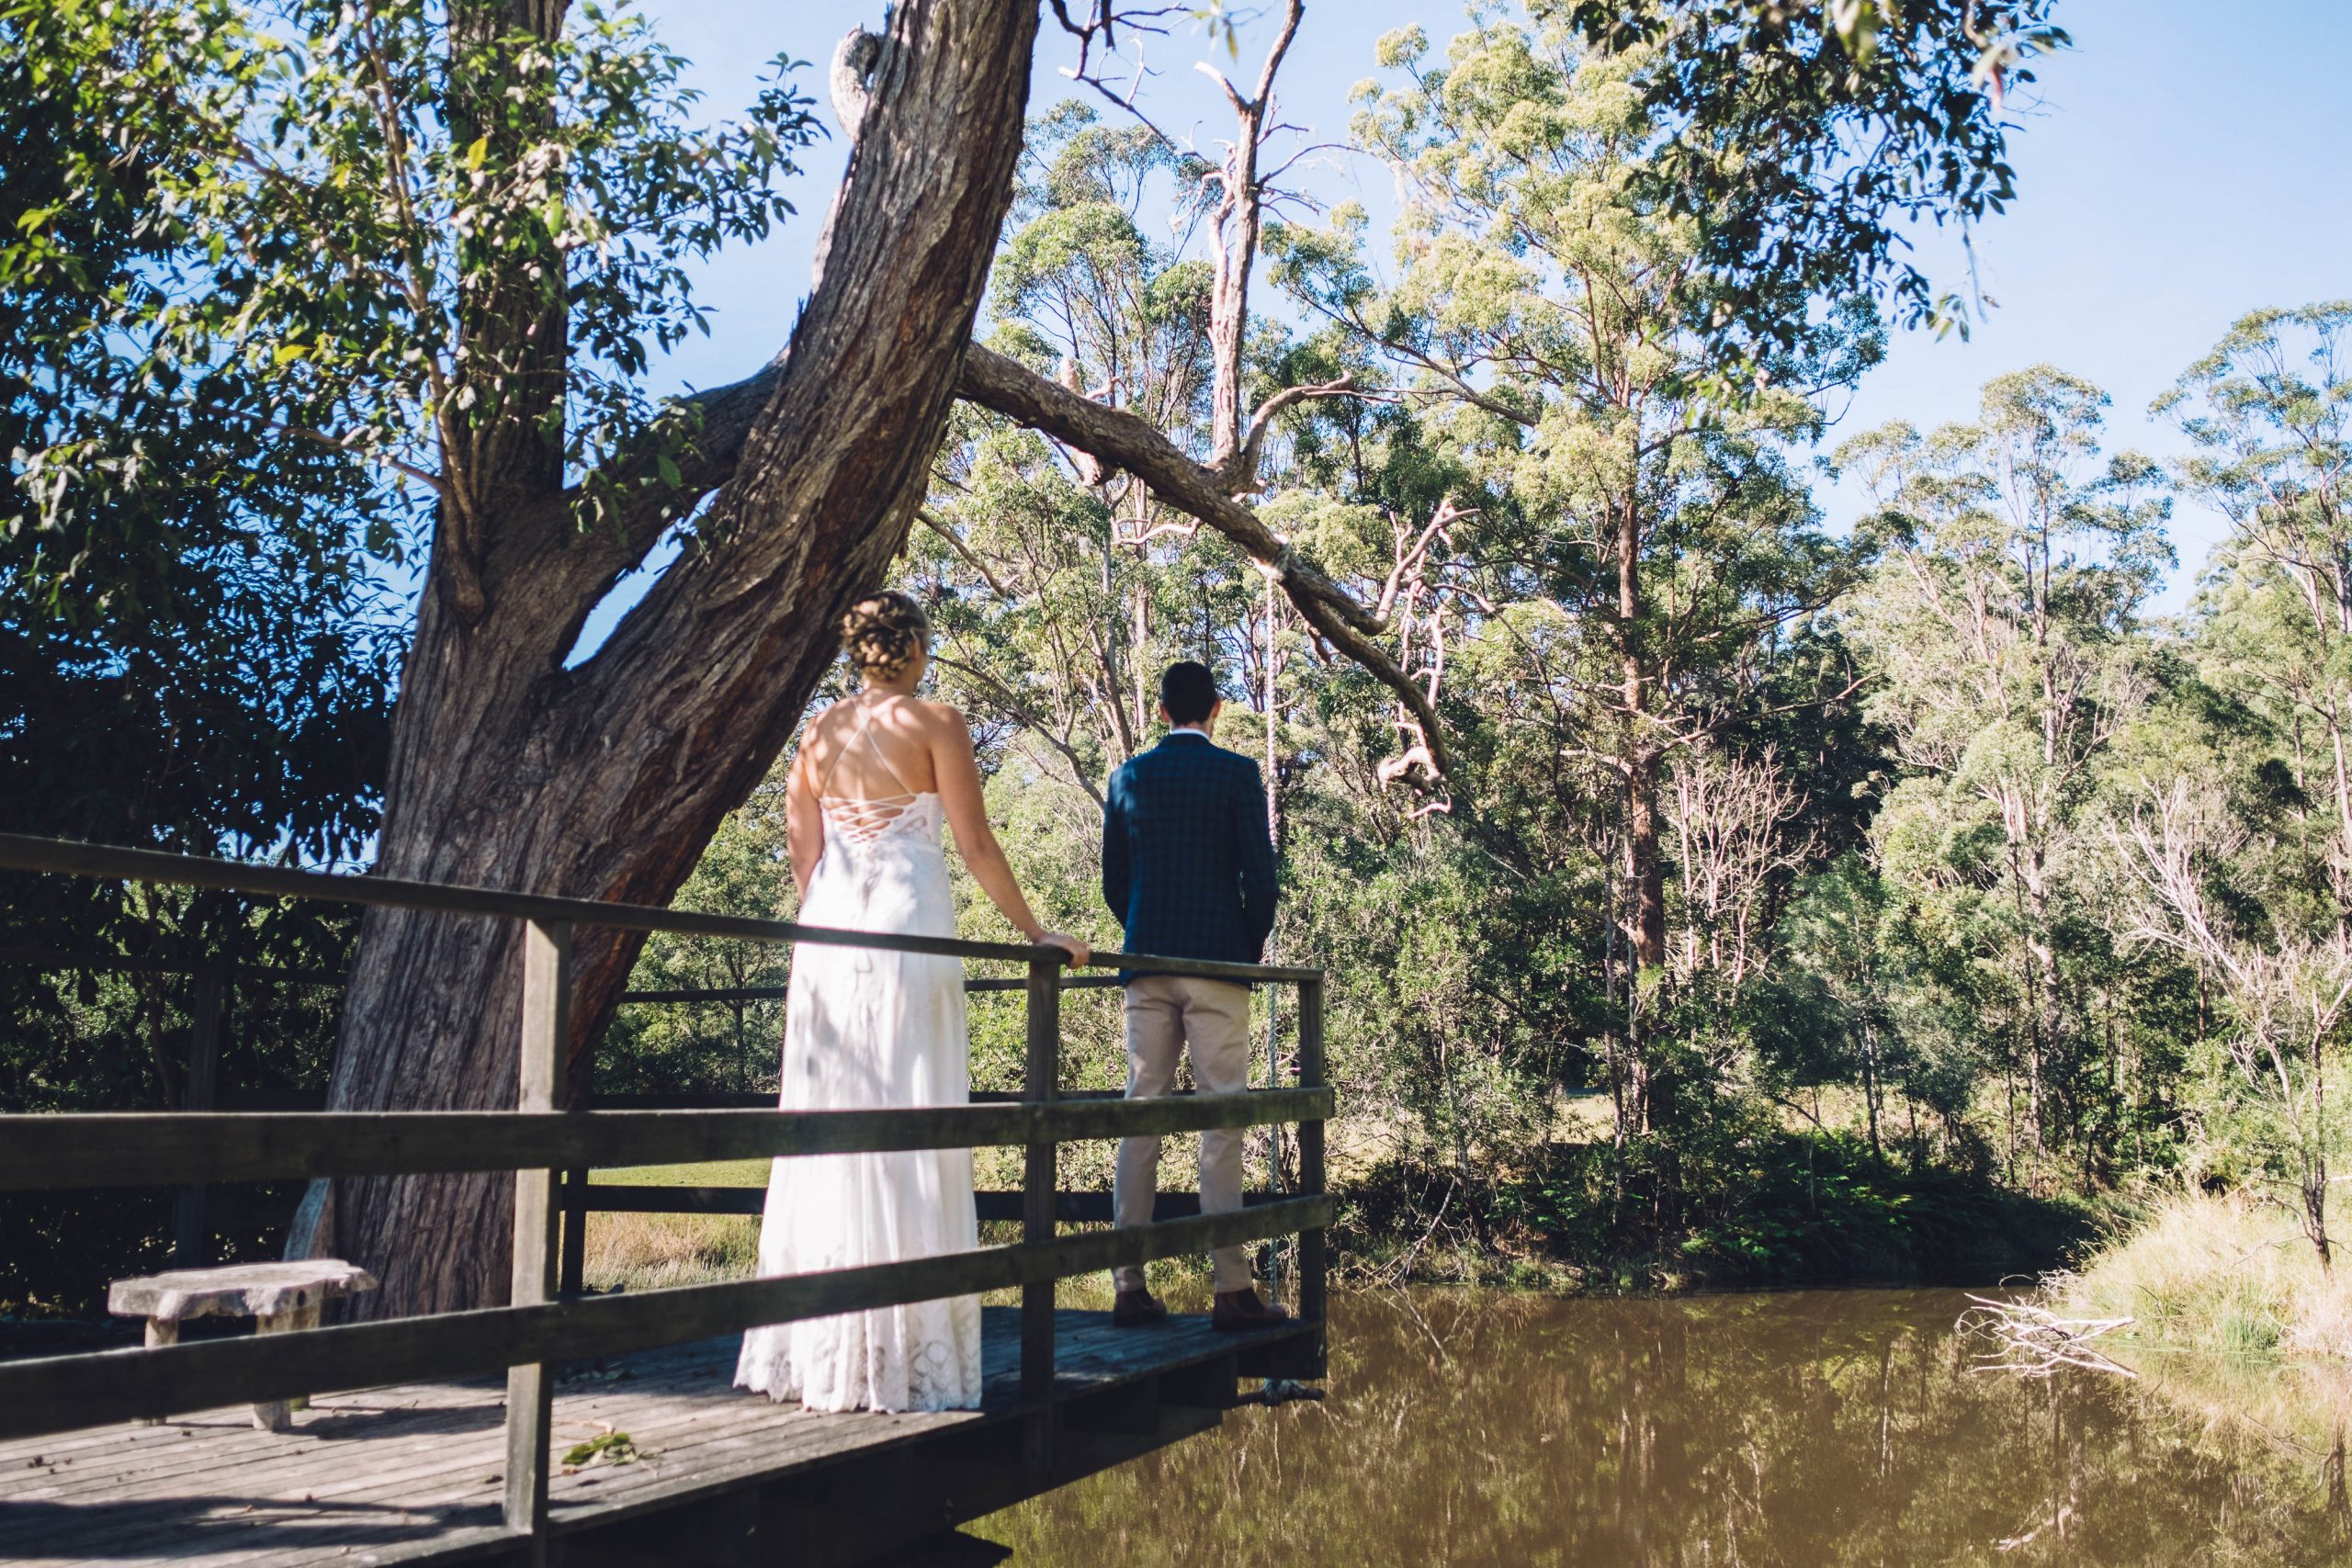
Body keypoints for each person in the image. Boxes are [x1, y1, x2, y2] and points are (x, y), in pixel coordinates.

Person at [736, 591, 1089, 1413]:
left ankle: (825, 1344)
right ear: (918, 647)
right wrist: (1036, 929)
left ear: (857, 652)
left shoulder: (816, 735)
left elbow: (804, 853)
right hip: (907, 916)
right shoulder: (939, 722)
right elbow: (972, 842)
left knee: (831, 1117)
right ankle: (903, 1343)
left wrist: (831, 925)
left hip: (830, 927)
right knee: (913, 1102)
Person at [1100, 660, 1289, 1332]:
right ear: (1215, 709)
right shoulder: (1237, 773)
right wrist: (1243, 948)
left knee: (1139, 1115)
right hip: (1217, 962)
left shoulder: (1128, 777)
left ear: (1159, 711)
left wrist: (1146, 928)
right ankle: (1231, 1290)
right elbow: (1260, 881)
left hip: (1146, 961)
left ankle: (1128, 1285)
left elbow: (1115, 882)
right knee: (1221, 1121)